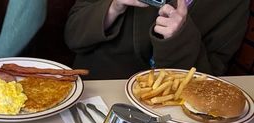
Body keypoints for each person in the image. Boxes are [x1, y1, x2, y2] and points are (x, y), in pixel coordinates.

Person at [64, 0, 250, 79]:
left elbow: (211, 79)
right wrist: (114, 7)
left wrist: (180, 39)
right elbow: (73, 35)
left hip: (175, 114)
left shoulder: (233, 4)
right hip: (98, 95)